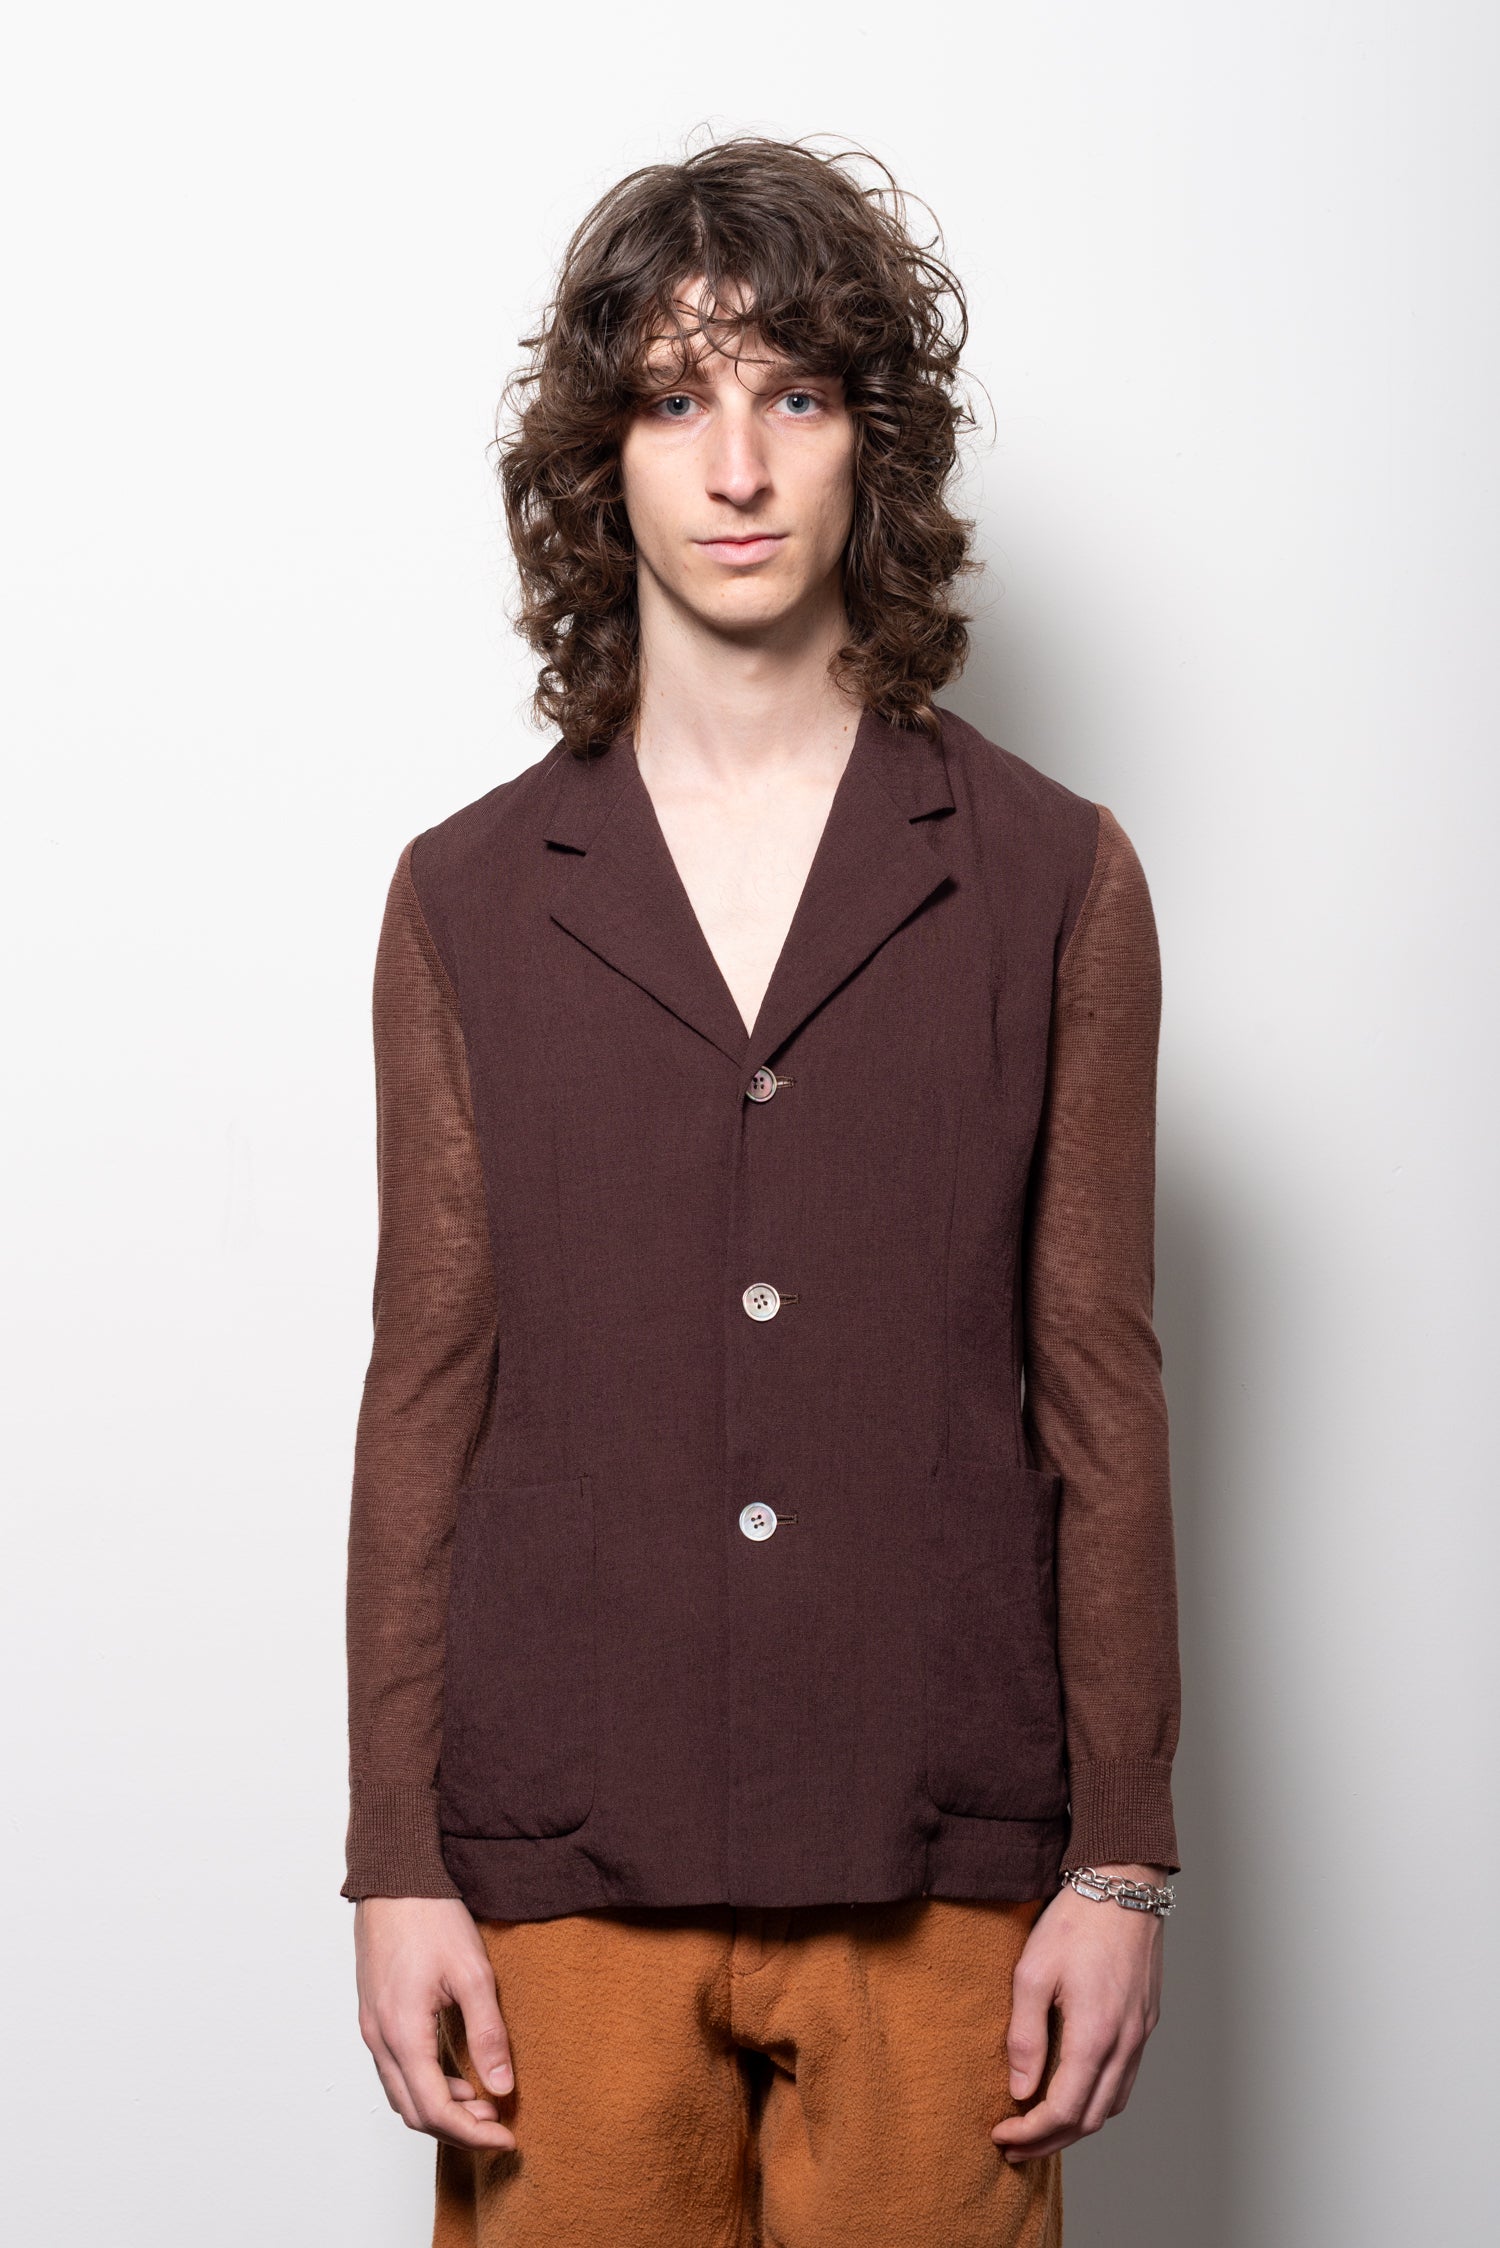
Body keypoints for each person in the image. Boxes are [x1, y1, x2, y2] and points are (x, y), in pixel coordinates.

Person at [341, 134, 1182, 2248]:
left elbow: (1101, 1387)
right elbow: (426, 1391)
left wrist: (1121, 1859)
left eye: (793, 393)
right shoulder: (463, 898)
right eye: (672, 398)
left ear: (867, 443)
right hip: (560, 1863)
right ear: (600, 458)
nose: (735, 466)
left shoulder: (1056, 875)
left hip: (947, 1856)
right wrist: (394, 1864)